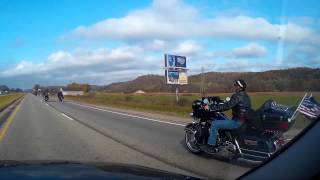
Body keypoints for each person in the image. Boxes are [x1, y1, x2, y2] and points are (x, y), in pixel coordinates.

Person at [204, 79, 252, 147]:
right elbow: (231, 104)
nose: (234, 86)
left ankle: (210, 145)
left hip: (237, 122)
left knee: (214, 124)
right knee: (223, 119)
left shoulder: (237, 96)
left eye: (235, 85)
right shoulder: (246, 96)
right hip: (244, 121)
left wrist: (211, 108)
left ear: (239, 87)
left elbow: (227, 106)